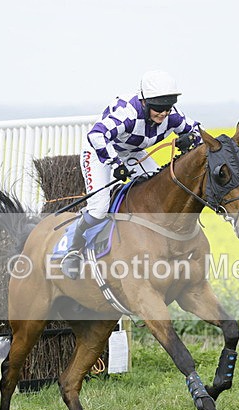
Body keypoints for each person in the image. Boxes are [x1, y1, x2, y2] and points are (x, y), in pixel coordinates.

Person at [60, 70, 203, 279]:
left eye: (167, 108)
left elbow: (198, 132)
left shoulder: (171, 116)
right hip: (100, 152)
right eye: (158, 108)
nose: (163, 114)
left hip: (133, 153)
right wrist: (115, 163)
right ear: (144, 102)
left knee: (158, 192)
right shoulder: (128, 114)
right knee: (99, 208)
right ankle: (72, 250)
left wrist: (189, 138)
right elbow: (96, 135)